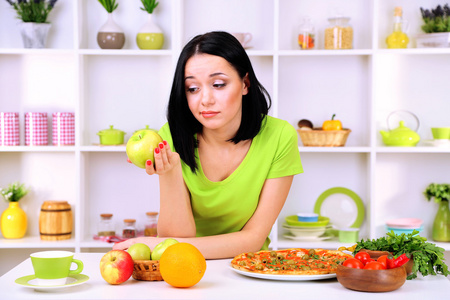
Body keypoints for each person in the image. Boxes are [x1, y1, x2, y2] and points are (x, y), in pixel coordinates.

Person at [114, 31, 303, 259]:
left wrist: (157, 244)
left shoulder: (279, 137)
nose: (205, 100)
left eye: (218, 84)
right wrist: (170, 172)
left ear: (245, 84)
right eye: (192, 88)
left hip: (249, 268)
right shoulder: (169, 138)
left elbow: (253, 238)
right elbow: (178, 236)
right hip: (183, 265)